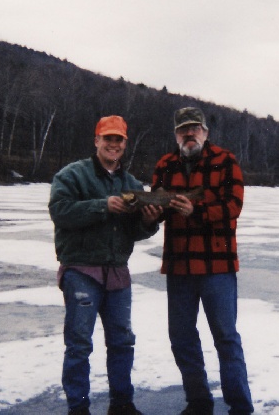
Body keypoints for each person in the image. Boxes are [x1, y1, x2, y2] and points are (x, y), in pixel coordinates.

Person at [49, 115, 163, 415]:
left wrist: (149, 222)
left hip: (118, 275)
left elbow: (133, 231)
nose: (113, 144)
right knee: (79, 344)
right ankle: (78, 407)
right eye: (108, 138)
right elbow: (60, 212)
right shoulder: (71, 175)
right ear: (96, 140)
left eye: (119, 140)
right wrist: (102, 205)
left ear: (125, 144)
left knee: (123, 342)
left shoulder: (132, 184)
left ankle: (122, 404)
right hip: (81, 273)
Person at [151, 107, 254, 415]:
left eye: (195, 128)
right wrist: (153, 213)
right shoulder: (165, 165)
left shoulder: (226, 161)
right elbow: (156, 207)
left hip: (217, 268)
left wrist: (196, 212)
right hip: (179, 267)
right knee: (181, 337)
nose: (190, 134)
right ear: (176, 135)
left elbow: (233, 206)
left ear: (206, 132)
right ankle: (198, 402)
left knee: (225, 337)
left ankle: (240, 407)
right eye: (184, 129)